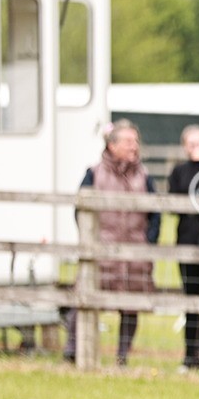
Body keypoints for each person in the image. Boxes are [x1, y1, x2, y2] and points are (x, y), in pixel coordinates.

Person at [62, 119, 160, 367]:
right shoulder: (94, 173)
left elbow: (156, 213)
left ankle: (122, 356)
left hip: (134, 253)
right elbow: (80, 209)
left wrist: (148, 242)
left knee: (130, 307)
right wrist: (91, 241)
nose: (133, 146)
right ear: (112, 144)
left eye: (135, 141)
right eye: (128, 141)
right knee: (83, 299)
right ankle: (75, 350)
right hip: (102, 252)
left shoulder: (144, 176)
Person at [167, 124, 199, 372]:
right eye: (192, 143)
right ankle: (192, 355)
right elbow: (174, 204)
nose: (196, 148)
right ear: (185, 147)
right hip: (187, 241)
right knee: (191, 300)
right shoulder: (179, 171)